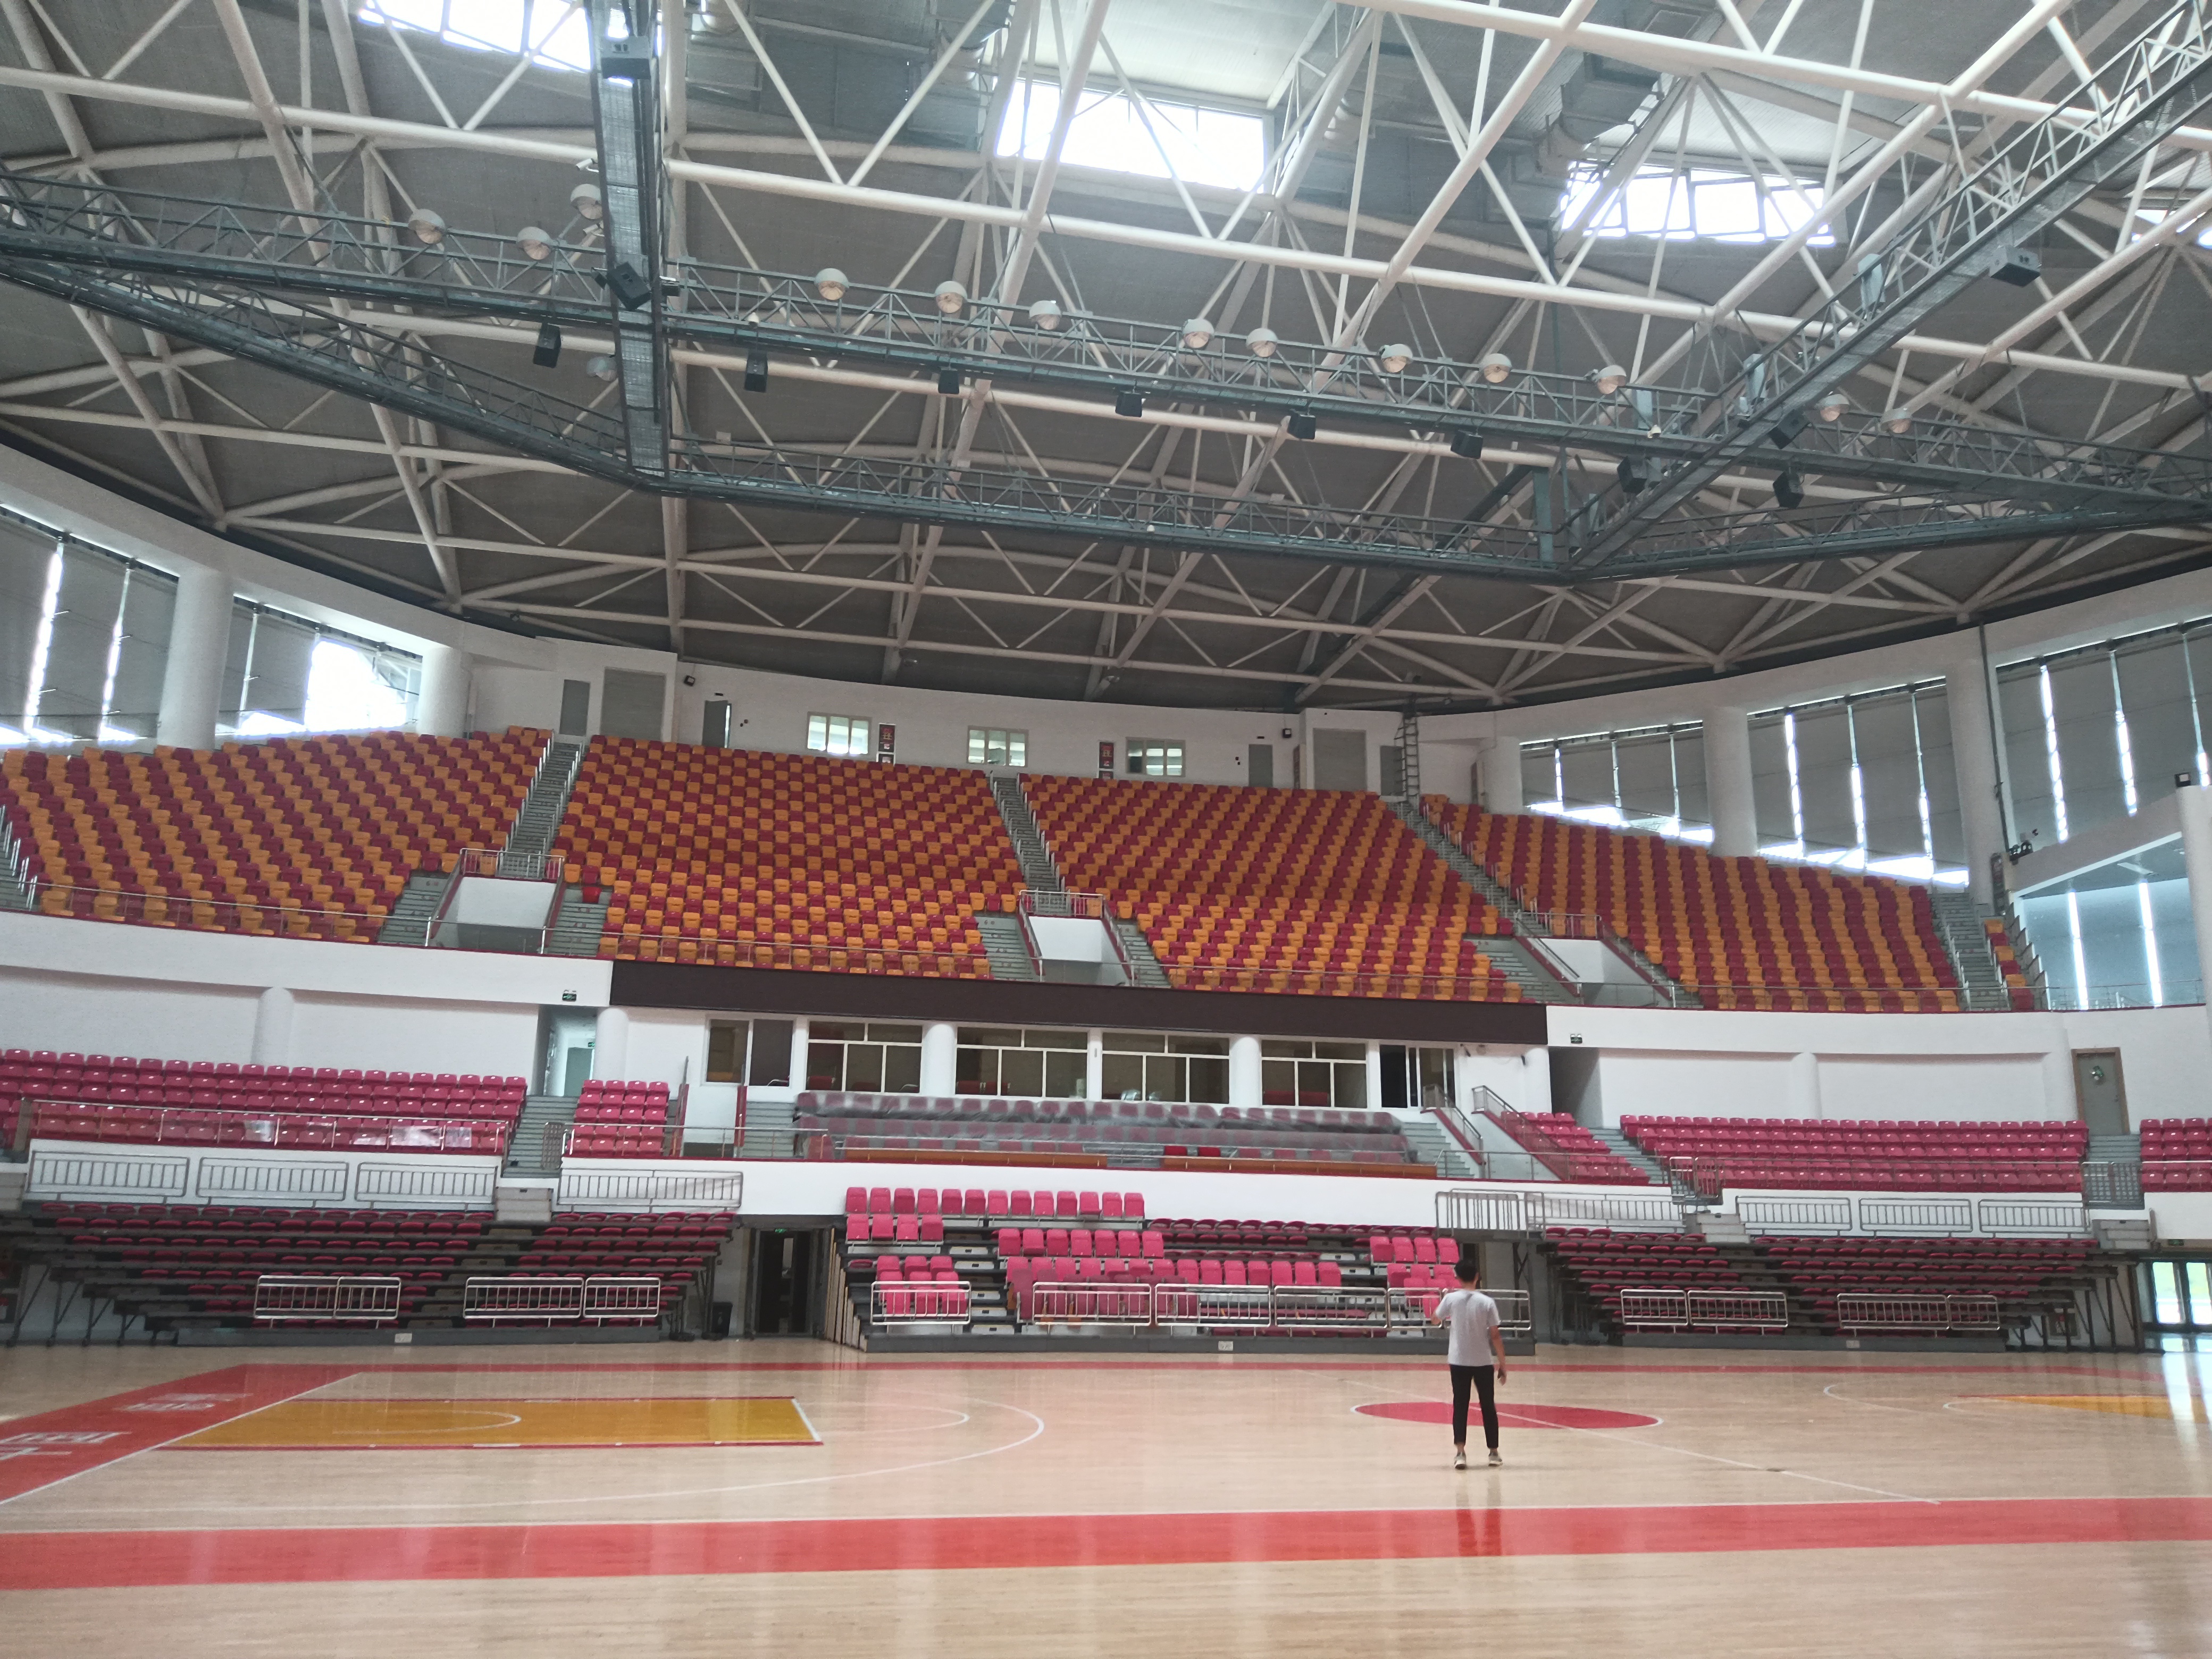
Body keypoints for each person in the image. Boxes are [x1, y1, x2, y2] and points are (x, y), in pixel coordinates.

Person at [1430, 1251, 1507, 1469]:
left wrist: (1438, 1315)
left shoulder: (1450, 1299)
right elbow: (1495, 1335)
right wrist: (1503, 1364)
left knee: (1460, 1405)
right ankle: (1493, 1452)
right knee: (1488, 1406)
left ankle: (1460, 1453)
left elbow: (1435, 1319)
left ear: (1458, 1277)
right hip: (1483, 1362)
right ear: (1477, 1276)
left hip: (1458, 1361)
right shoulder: (1487, 1302)